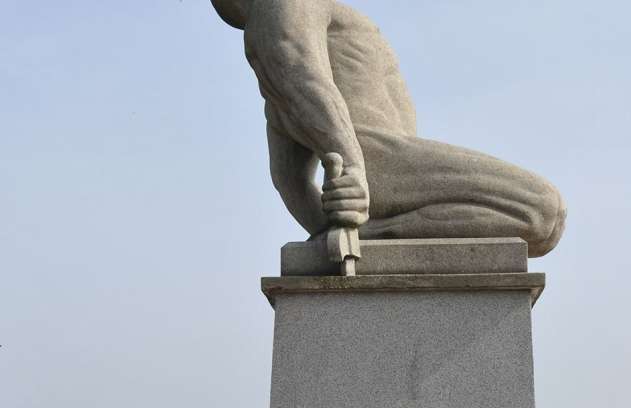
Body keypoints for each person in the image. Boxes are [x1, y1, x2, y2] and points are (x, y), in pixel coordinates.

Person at [212, 0, 566, 256]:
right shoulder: (282, 7)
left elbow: (289, 177)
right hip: (371, 169)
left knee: (546, 222)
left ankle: (376, 232)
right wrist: (352, 173)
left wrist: (325, 224)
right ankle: (380, 233)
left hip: (377, 172)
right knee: (541, 211)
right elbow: (304, 81)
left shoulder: (286, 19)